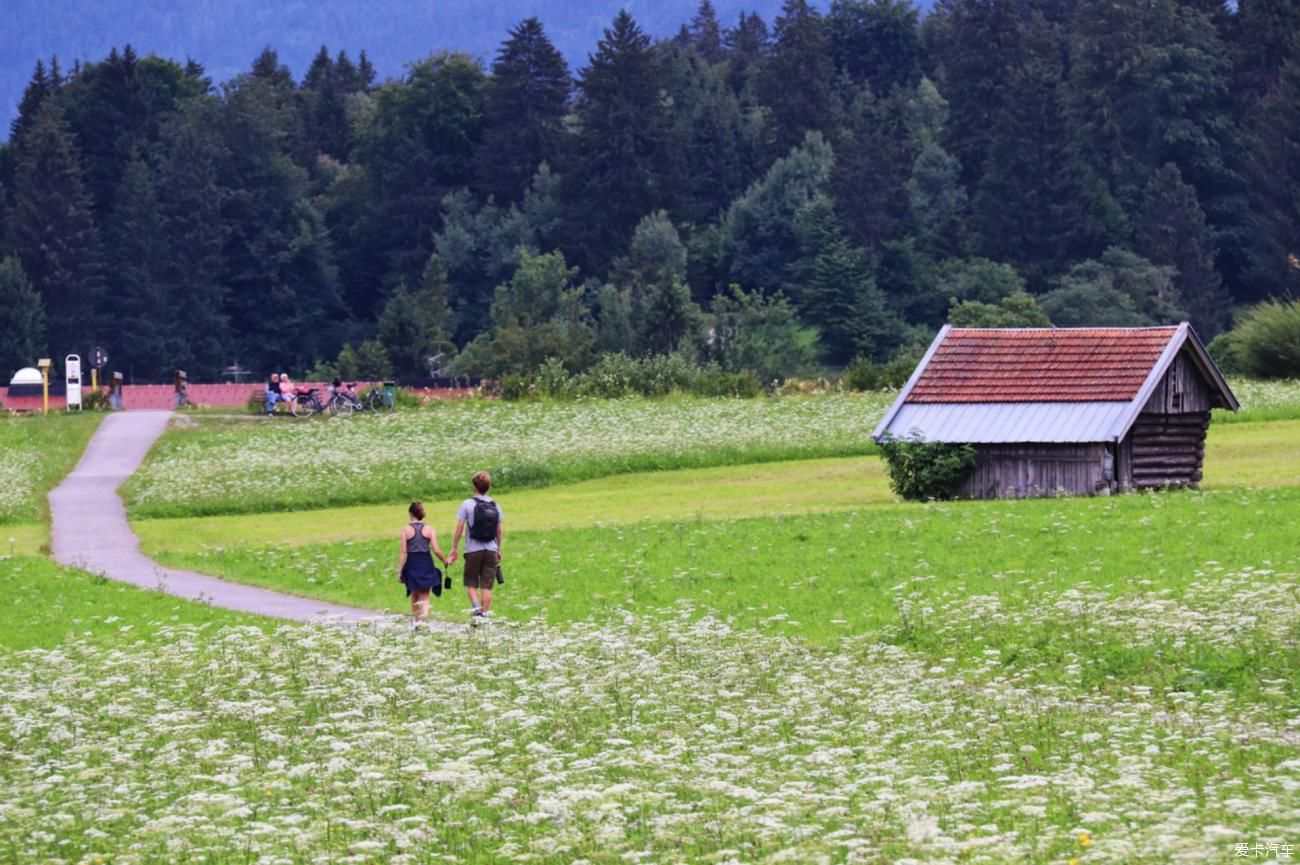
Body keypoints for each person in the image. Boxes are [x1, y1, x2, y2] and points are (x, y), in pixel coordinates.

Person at [448, 471, 503, 624]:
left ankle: (477, 610)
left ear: (474, 486)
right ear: (489, 487)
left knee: (471, 583)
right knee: (487, 586)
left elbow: (460, 528)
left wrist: (454, 547)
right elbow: (499, 529)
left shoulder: (467, 504)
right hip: (491, 549)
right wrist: (499, 549)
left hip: (473, 549)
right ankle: (485, 616)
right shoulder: (496, 505)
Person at [397, 501, 448, 628]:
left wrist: (399, 570)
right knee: (425, 595)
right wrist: (445, 560)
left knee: (414, 594)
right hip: (426, 562)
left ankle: (417, 622)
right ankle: (424, 622)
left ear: (410, 514)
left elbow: (403, 552)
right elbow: (436, 550)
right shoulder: (430, 529)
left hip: (412, 563)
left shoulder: (406, 530)